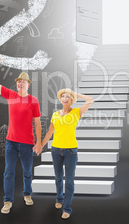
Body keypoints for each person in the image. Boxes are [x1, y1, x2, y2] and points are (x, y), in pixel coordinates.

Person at [0, 57, 42, 214]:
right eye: (19, 82)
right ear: (17, 84)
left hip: (27, 143)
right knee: (9, 172)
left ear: (28, 85)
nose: (21, 84)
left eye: (24, 82)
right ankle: (7, 200)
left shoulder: (33, 101)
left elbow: (38, 123)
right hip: (11, 142)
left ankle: (27, 194)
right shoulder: (11, 95)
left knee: (27, 171)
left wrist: (39, 143)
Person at [39, 88, 94, 219]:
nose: (64, 98)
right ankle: (59, 199)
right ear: (60, 99)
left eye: (67, 97)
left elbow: (90, 100)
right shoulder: (55, 114)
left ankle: (67, 208)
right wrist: (41, 145)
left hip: (71, 151)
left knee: (69, 181)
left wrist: (76, 94)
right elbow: (49, 132)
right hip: (55, 150)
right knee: (58, 177)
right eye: (62, 96)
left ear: (71, 100)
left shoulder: (77, 112)